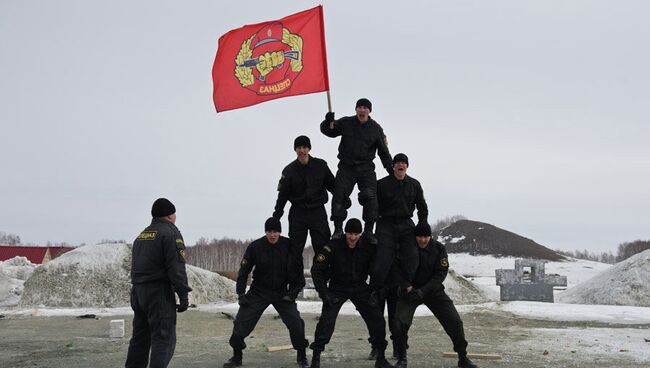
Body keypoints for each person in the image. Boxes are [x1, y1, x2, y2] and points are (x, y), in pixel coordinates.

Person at [223, 217, 308, 368]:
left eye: (275, 231)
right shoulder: (255, 247)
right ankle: (237, 356)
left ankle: (301, 356)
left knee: (296, 323)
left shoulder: (289, 246)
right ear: (265, 231)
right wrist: (241, 294)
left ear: (280, 232)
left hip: (282, 292)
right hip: (259, 291)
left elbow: (298, 273)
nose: (272, 235)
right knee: (241, 322)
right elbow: (244, 272)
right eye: (269, 231)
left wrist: (292, 293)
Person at [390, 222, 478, 368]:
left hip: (433, 291)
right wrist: (406, 286)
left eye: (426, 237)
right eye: (419, 237)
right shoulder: (405, 248)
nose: (423, 240)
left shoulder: (439, 249)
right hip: (409, 292)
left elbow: (441, 273)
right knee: (399, 324)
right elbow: (395, 268)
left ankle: (463, 357)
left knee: (454, 322)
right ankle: (402, 358)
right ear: (415, 236)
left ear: (430, 236)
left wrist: (423, 291)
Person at [309, 218, 394, 368]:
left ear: (360, 234)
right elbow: (317, 269)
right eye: (350, 234)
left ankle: (380, 356)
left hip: (360, 288)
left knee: (377, 320)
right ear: (345, 232)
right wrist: (324, 293)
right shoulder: (333, 245)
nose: (353, 238)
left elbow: (378, 269)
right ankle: (316, 357)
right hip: (337, 288)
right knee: (326, 322)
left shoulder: (367, 247)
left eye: (356, 234)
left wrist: (376, 290)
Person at [367, 153, 428, 359]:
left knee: (412, 255)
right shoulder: (382, 184)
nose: (400, 165)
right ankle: (375, 289)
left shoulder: (414, 185)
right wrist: (370, 225)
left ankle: (409, 282)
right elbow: (370, 202)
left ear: (407, 166)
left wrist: (421, 225)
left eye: (403, 163)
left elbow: (422, 207)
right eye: (397, 163)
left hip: (405, 224)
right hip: (385, 223)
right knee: (382, 257)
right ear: (393, 166)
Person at [125, 198, 192, 368]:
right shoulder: (170, 233)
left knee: (140, 338)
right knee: (164, 338)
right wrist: (183, 294)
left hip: (138, 292)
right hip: (158, 293)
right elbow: (176, 267)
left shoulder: (142, 235)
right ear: (171, 215)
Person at [320, 98, 393, 244]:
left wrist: (391, 171)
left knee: (371, 197)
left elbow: (383, 152)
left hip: (366, 168)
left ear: (369, 111)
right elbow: (329, 131)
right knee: (339, 196)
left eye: (365, 108)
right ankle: (338, 229)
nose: (362, 110)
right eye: (359, 107)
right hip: (346, 167)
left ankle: (368, 231)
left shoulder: (376, 129)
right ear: (356, 109)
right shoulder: (346, 122)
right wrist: (327, 122)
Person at [273, 135, 335, 255]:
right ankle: (296, 275)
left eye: (304, 147)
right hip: (298, 213)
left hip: (318, 212)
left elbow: (333, 186)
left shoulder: (321, 166)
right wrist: (276, 216)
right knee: (295, 250)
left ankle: (320, 273)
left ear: (309, 149)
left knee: (323, 248)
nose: (302, 150)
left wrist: (343, 200)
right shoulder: (288, 171)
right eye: (299, 148)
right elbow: (282, 196)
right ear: (295, 149)